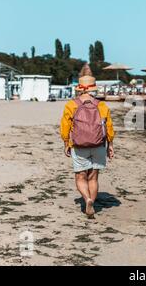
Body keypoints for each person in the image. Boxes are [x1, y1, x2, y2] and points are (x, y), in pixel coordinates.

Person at [60, 64, 115, 218]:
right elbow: (109, 127)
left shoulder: (71, 104)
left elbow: (65, 126)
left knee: (80, 176)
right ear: (93, 88)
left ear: (79, 88)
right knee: (93, 176)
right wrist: (110, 144)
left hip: (79, 145)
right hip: (98, 144)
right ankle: (92, 201)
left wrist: (66, 143)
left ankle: (87, 199)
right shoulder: (102, 105)